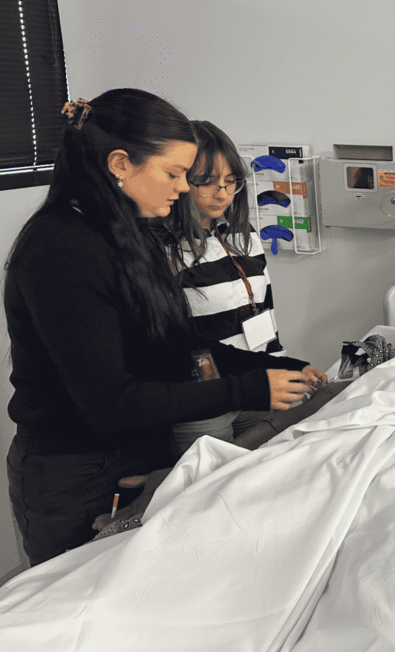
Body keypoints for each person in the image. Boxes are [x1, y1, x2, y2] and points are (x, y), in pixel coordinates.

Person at [4, 89, 322, 566]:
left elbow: (177, 344)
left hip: (137, 456)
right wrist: (248, 389)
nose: (181, 189)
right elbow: (112, 403)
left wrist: (279, 368)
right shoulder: (61, 250)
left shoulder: (126, 235)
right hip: (77, 476)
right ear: (120, 164)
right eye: (173, 174)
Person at [163, 120, 323, 459]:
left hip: (262, 384)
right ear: (180, 182)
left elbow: (263, 311)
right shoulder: (164, 249)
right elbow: (175, 342)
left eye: (230, 181)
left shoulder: (242, 234)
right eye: (206, 183)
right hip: (206, 399)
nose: (222, 193)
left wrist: (286, 367)